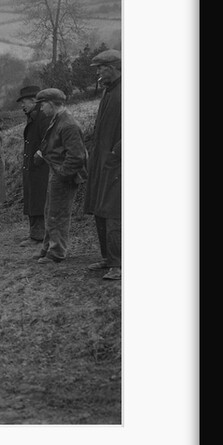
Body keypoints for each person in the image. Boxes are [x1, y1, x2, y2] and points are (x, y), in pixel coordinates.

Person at [32, 88, 88, 265]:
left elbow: (77, 156)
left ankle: (56, 252)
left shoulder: (68, 124)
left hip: (64, 175)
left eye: (42, 105)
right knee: (51, 212)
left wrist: (63, 173)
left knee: (59, 214)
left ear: (50, 103)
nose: (41, 109)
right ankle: (48, 248)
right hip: (57, 172)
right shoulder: (58, 120)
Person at [84, 49, 122, 281]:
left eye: (100, 67)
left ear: (114, 67)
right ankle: (108, 258)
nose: (97, 72)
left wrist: (116, 153)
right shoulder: (109, 92)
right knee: (100, 210)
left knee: (113, 212)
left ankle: (119, 263)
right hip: (102, 163)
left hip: (117, 166)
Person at [15, 85, 50, 246]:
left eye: (24, 102)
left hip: (41, 168)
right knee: (32, 199)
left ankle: (39, 235)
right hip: (32, 167)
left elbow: (49, 139)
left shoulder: (43, 117)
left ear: (34, 100)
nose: (22, 106)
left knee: (38, 200)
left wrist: (40, 153)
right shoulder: (33, 116)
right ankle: (35, 234)